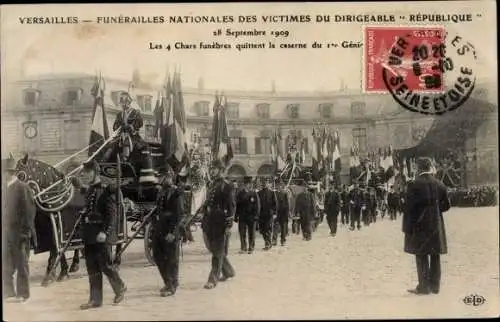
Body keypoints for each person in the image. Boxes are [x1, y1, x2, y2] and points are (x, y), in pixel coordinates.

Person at [79, 159, 127, 309]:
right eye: (84, 173)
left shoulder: (106, 190)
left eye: (87, 172)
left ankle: (120, 287)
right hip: (89, 235)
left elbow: (112, 215)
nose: (84, 175)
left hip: (100, 234)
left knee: (105, 265)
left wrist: (105, 233)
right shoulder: (90, 190)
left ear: (96, 173)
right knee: (92, 268)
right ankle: (95, 299)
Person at [403, 157, 451, 295]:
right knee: (435, 254)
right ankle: (435, 286)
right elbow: (447, 205)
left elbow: (408, 208)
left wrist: (408, 228)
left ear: (418, 168)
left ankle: (424, 287)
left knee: (421, 255)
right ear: (430, 167)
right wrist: (435, 211)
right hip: (436, 224)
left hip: (419, 225)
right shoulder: (439, 184)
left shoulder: (413, 185)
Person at [102, 91, 156, 185]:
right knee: (111, 145)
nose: (123, 104)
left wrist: (131, 126)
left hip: (133, 136)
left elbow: (140, 123)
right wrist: (119, 126)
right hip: (121, 135)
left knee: (127, 142)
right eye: (122, 102)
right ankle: (104, 161)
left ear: (129, 102)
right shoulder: (119, 114)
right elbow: (115, 126)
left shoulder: (135, 112)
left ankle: (124, 160)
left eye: (125, 102)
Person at [3, 155, 37, 302]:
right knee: (6, 263)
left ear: (9, 173)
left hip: (19, 234)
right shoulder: (4, 188)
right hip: (6, 233)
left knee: (21, 264)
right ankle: (8, 292)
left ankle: (23, 294)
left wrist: (25, 233)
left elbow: (29, 212)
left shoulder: (22, 188)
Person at [201, 160, 236, 289]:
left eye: (215, 169)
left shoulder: (227, 186)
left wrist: (228, 225)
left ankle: (213, 279)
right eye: (212, 168)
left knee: (217, 252)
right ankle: (229, 271)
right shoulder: (213, 184)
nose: (212, 171)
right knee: (215, 249)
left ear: (221, 170)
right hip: (210, 222)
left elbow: (231, 206)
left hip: (220, 223)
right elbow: (209, 201)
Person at [151, 164, 184, 297]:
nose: (160, 179)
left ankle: (172, 285)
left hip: (170, 230)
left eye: (162, 177)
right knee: (158, 256)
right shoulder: (161, 192)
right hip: (159, 229)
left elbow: (180, 215)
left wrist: (173, 232)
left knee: (171, 259)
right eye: (159, 177)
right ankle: (168, 281)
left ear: (169, 177)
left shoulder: (176, 193)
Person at [235, 176, 260, 254]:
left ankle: (251, 248)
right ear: (244, 184)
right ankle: (243, 247)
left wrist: (256, 216)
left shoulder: (254, 193)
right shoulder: (240, 194)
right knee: (242, 232)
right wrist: (236, 216)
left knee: (251, 233)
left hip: (251, 217)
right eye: (247, 184)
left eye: (250, 184)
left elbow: (257, 206)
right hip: (242, 216)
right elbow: (237, 205)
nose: (249, 185)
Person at [258, 177, 277, 250]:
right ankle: (267, 242)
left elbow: (275, 204)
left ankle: (268, 244)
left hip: (269, 214)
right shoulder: (259, 193)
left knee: (268, 229)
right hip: (261, 215)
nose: (265, 184)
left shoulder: (272, 193)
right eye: (264, 183)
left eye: (267, 183)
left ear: (269, 184)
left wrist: (275, 213)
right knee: (262, 230)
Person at [272, 179, 290, 247]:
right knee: (275, 227)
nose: (278, 186)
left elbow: (287, 204)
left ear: (281, 186)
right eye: (277, 185)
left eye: (279, 185)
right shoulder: (274, 193)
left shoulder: (285, 193)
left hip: (283, 213)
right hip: (276, 213)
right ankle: (274, 240)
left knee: (283, 228)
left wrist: (287, 213)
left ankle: (283, 240)